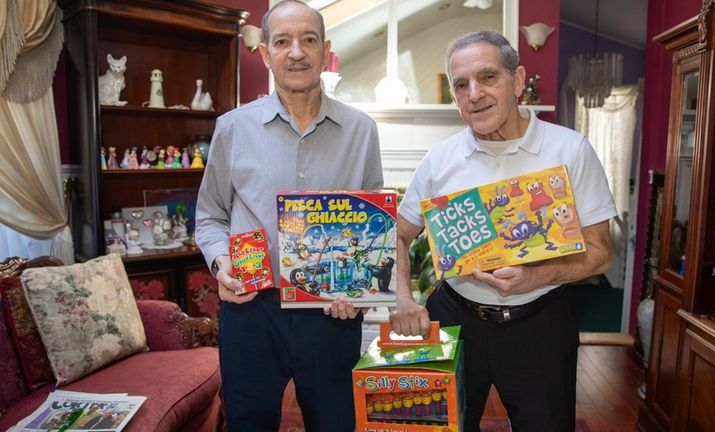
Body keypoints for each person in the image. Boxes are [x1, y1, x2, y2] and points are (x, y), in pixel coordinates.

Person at [390, 31, 616, 431]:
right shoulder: (440, 159)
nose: (474, 93)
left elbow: (602, 251)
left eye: (488, 77)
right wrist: (405, 299)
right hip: (455, 319)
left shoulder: (570, 149)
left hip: (542, 322)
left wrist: (537, 275)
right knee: (439, 426)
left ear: (517, 80)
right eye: (461, 85)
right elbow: (400, 234)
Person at [195, 1, 383, 430]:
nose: (296, 52)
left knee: (336, 422)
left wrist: (363, 289)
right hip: (252, 310)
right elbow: (209, 217)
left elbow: (375, 228)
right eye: (282, 41)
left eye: (308, 40)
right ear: (265, 54)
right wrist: (223, 262)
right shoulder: (231, 128)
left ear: (325, 49)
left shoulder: (361, 130)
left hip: (331, 315)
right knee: (249, 423)